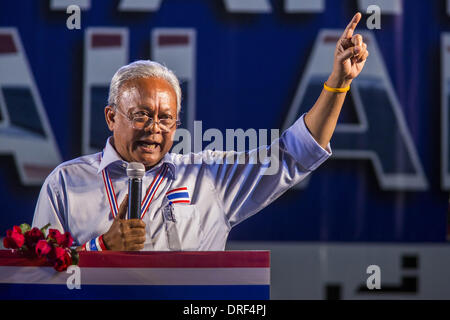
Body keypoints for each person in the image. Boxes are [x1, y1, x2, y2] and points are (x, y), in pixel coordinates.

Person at [32, 13, 369, 251]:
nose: (154, 128)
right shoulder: (66, 184)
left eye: (166, 119)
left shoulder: (206, 176)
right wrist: (99, 248)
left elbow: (296, 153)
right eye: (141, 115)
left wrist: (339, 83)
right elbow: (36, 279)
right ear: (110, 117)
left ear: (177, 124)